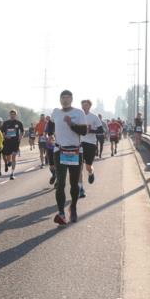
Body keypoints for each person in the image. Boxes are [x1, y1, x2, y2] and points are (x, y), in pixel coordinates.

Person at [50, 90, 88, 225]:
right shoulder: (56, 112)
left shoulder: (79, 113)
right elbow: (50, 125)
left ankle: (73, 207)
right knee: (60, 183)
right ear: (60, 99)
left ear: (71, 99)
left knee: (74, 183)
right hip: (60, 151)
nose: (65, 100)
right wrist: (49, 135)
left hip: (75, 151)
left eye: (67, 97)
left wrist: (71, 123)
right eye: (63, 98)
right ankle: (61, 213)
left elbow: (84, 131)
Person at [78, 100, 103, 198]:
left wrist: (90, 130)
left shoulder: (94, 117)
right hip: (79, 143)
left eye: (86, 105)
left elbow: (101, 130)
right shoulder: (78, 116)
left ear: (89, 106)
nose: (84, 107)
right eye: (83, 105)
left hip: (91, 144)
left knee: (88, 167)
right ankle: (81, 189)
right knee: (79, 167)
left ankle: (91, 173)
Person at [0, 109, 25, 180]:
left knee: (14, 156)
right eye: (11, 114)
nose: (12, 115)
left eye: (14, 114)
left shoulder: (19, 123)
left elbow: (22, 131)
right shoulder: (5, 123)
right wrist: (5, 136)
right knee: (8, 157)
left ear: (16, 115)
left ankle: (12, 173)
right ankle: (9, 162)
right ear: (9, 115)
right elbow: (2, 132)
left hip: (15, 142)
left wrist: (20, 137)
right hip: (7, 142)